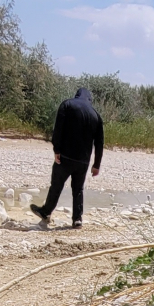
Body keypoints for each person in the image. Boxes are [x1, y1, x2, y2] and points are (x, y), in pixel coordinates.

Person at [31, 88, 104, 228]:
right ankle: (77, 219)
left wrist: (56, 149)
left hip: (65, 156)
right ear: (89, 99)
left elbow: (58, 128)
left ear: (76, 95)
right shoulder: (96, 115)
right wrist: (96, 165)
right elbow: (99, 143)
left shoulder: (67, 105)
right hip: (83, 161)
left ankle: (46, 212)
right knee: (78, 189)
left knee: (56, 185)